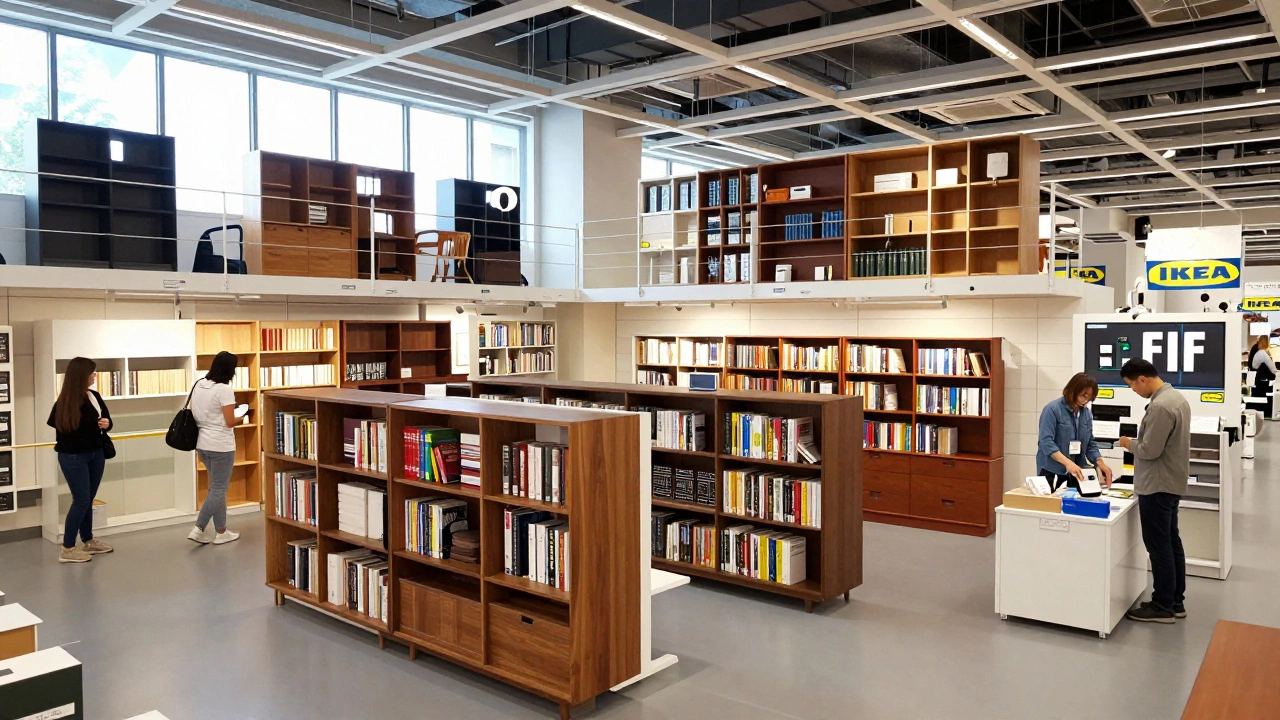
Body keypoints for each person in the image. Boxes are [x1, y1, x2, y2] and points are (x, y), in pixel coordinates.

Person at [1118, 358, 1191, 624]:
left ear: (1142, 379)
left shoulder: (1161, 406)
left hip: (1157, 486)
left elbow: (1150, 450)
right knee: (1172, 543)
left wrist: (1128, 443)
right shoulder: (1177, 399)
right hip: (1170, 483)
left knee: (1159, 547)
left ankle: (1162, 606)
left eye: (1131, 386)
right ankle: (1175, 601)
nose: (1133, 391)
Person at [47, 357, 114, 563]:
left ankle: (88, 539)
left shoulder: (94, 395)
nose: (95, 375)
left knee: (89, 498)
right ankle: (67, 548)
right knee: (81, 500)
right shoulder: (65, 402)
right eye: (92, 372)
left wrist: (106, 424)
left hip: (96, 453)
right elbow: (63, 430)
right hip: (74, 456)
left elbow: (107, 420)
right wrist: (93, 426)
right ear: (81, 375)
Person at [187, 351, 242, 545]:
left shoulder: (199, 384)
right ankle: (198, 528)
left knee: (216, 489)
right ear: (230, 369)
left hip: (203, 444)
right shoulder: (224, 389)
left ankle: (221, 531)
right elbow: (229, 421)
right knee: (219, 489)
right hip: (221, 446)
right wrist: (242, 417)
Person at [1035, 372, 1113, 492]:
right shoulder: (1052, 410)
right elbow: (1046, 443)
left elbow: (1090, 443)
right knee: (1051, 505)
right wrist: (1067, 463)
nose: (1086, 400)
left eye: (1089, 398)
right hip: (1051, 469)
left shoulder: (1085, 413)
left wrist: (1100, 462)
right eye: (1084, 395)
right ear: (1073, 390)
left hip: (1077, 468)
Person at [1248, 335, 1276, 417]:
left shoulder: (1257, 352)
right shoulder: (1262, 353)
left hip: (1257, 380)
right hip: (1262, 381)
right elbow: (1273, 369)